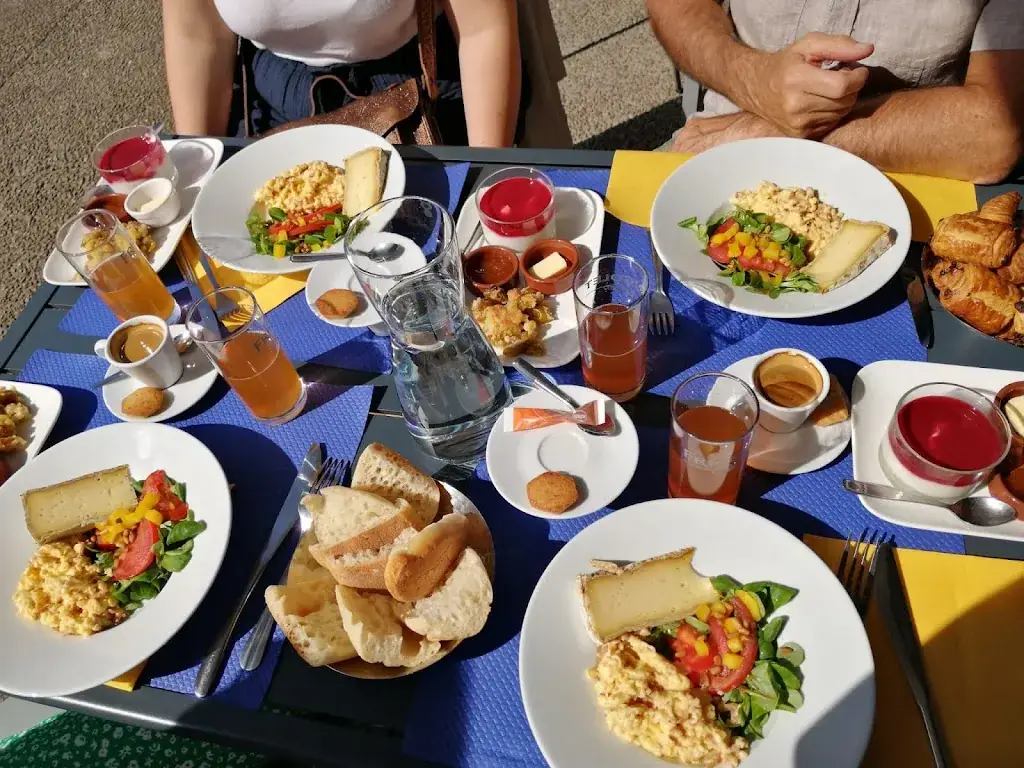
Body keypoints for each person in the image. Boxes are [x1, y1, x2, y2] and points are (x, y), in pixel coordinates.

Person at [647, 0, 1024, 183]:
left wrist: (774, 135)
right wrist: (751, 78)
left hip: (912, 177)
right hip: (716, 141)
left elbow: (993, 132)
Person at [162, 0, 522, 147]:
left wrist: (485, 178)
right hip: (272, 97)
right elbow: (197, 35)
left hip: (416, 93)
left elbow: (483, 30)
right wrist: (196, 166)